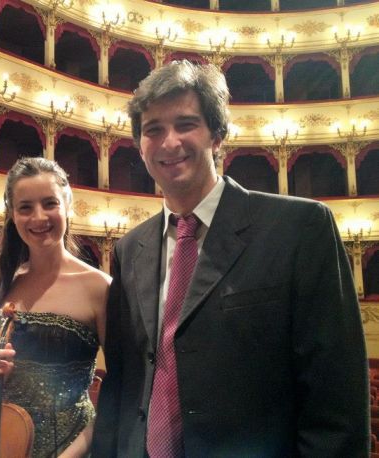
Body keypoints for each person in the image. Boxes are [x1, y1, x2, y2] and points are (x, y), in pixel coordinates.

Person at [91, 60, 370, 457]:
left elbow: (336, 395)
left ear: (217, 136)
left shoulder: (299, 229)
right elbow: (123, 379)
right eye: (153, 129)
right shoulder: (130, 249)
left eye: (186, 124)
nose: (169, 142)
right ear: (140, 145)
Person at [0, 157, 111, 457]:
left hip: (73, 449)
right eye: (25, 207)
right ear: (12, 215)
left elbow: (122, 390)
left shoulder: (99, 287)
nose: (39, 217)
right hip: (5, 445)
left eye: (50, 203)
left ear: (68, 206)